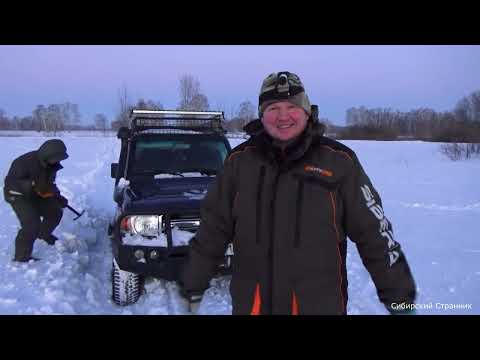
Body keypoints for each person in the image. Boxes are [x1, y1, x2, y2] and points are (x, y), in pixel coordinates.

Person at [180, 71, 416, 315]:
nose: (283, 116)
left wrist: (400, 299)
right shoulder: (239, 163)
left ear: (306, 111)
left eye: (292, 106)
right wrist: (193, 283)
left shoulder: (339, 162)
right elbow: (213, 229)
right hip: (254, 307)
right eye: (273, 108)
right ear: (262, 115)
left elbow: (375, 234)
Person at [4, 139, 69, 262]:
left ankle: (43, 234)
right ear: (47, 155)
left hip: (36, 194)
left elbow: (49, 185)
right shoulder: (23, 162)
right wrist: (32, 184)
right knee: (32, 223)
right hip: (17, 195)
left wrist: (58, 197)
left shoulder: (50, 165)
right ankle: (21, 257)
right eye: (56, 158)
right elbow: (10, 183)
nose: (58, 161)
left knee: (55, 212)